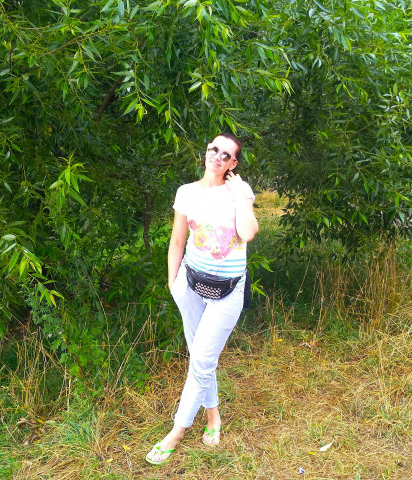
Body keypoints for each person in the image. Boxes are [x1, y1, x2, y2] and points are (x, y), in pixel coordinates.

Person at [145, 133, 259, 465]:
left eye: (226, 155)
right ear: (206, 152)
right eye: (214, 149)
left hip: (228, 292)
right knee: (200, 357)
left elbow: (248, 233)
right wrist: (173, 283)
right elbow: (176, 241)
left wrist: (241, 195)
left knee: (202, 362)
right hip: (190, 285)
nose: (217, 156)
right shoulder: (187, 193)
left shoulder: (240, 192)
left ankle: (176, 432)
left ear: (233, 163)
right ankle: (213, 416)